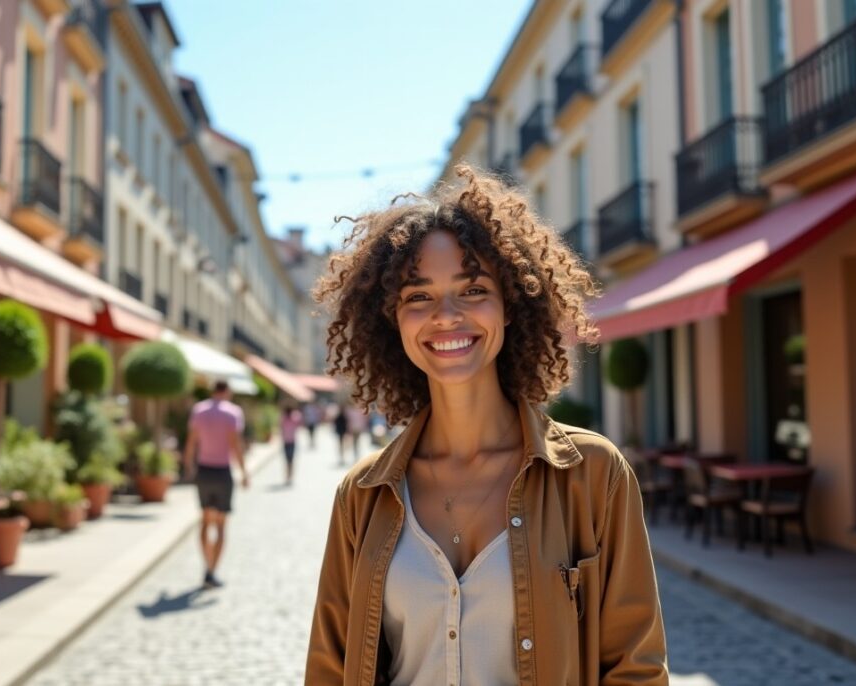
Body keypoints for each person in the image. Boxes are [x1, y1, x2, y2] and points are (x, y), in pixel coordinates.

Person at [305, 166, 667, 684]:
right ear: (393, 321)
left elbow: (637, 668)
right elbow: (328, 668)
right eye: (418, 296)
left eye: (472, 289)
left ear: (512, 305)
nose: (446, 315)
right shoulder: (362, 495)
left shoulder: (594, 475)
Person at [184, 380, 249, 589]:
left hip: (204, 470)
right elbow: (235, 445)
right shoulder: (232, 412)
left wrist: (188, 465)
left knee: (204, 521)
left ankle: (207, 564)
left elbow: (192, 441)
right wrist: (244, 472)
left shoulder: (199, 410)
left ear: (213, 391)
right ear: (227, 392)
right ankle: (212, 570)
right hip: (222, 472)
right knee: (220, 524)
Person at [279, 404, 303, 486]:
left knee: (288, 460)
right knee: (290, 460)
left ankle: (289, 476)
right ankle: (290, 476)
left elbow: (280, 427)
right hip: (290, 441)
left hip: (288, 441)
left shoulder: (287, 418)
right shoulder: (292, 418)